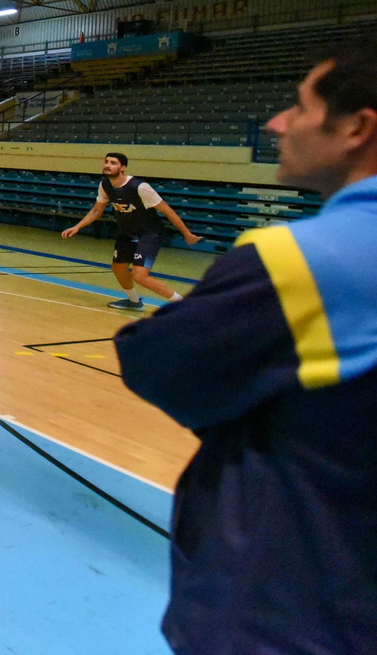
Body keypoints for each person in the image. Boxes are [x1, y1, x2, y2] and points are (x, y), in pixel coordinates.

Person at [115, 43, 377, 655]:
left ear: (358, 129)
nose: (276, 122)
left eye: (299, 107)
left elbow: (156, 363)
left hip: (290, 607)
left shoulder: (298, 261)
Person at [60, 152, 203, 311]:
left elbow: (168, 211)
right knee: (118, 267)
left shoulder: (140, 187)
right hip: (126, 233)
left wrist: (187, 234)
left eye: (113, 163)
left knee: (140, 275)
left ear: (123, 167)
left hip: (150, 234)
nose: (107, 165)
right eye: (106, 162)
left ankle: (184, 304)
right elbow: (96, 211)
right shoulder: (105, 185)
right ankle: (134, 302)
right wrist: (78, 226)